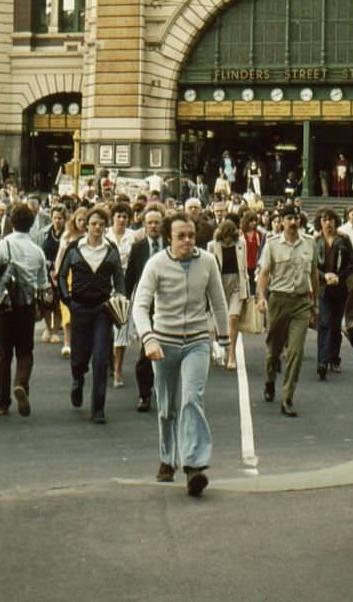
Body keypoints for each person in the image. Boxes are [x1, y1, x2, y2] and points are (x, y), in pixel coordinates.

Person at [133, 211, 230, 496]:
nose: (188, 241)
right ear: (168, 239)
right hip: (163, 343)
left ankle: (194, 466)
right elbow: (140, 306)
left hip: (197, 341)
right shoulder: (156, 264)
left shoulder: (208, 262)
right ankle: (167, 458)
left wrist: (223, 342)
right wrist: (148, 339)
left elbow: (219, 303)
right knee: (166, 407)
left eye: (191, 235)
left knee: (192, 399)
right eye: (181, 236)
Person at [57, 206, 124, 423]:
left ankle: (98, 409)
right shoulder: (75, 248)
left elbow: (119, 279)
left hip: (102, 310)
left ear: (106, 227)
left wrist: (119, 299)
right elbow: (61, 275)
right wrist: (67, 299)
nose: (97, 228)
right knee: (79, 358)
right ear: (87, 225)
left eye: (102, 224)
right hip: (79, 308)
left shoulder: (111, 250)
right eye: (94, 223)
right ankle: (77, 381)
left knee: (101, 358)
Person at [256, 203, 319, 417]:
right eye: (289, 219)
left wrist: (315, 302)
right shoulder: (272, 244)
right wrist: (261, 297)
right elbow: (264, 273)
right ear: (281, 222)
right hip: (279, 300)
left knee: (296, 351)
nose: (293, 222)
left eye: (296, 218)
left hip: (301, 302)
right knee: (273, 349)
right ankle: (270, 380)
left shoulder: (310, 243)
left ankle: (288, 397)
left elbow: (314, 274)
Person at [0, 202, 48, 417]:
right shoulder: (37, 251)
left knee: (3, 354)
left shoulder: (2, 246)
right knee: (25, 351)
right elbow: (42, 282)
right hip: (26, 306)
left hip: (4, 307)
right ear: (32, 223)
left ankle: (2, 401)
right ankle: (21, 383)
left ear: (11, 221)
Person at [125, 206, 165, 412]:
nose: (153, 226)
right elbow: (131, 275)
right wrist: (124, 299)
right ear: (144, 225)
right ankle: (145, 394)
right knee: (146, 350)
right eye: (150, 223)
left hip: (168, 304)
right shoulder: (139, 247)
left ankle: (167, 391)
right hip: (146, 305)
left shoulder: (170, 246)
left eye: (157, 222)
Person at [315, 208, 353, 380]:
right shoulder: (315, 241)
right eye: (324, 219)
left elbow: (352, 263)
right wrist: (324, 276)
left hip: (340, 288)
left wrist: (340, 277)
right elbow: (311, 265)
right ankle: (322, 361)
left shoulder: (344, 240)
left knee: (336, 325)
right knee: (324, 322)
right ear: (320, 222)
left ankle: (334, 358)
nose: (328, 223)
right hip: (323, 287)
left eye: (331, 219)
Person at [209, 218, 248, 371]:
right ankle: (220, 345)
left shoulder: (240, 244)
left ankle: (232, 355)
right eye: (225, 237)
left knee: (233, 317)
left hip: (237, 284)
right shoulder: (212, 246)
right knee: (220, 319)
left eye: (230, 237)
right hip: (219, 284)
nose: (228, 240)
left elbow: (243, 267)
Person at [106, 201, 136, 388]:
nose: (122, 219)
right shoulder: (105, 235)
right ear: (113, 218)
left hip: (125, 285)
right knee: (106, 328)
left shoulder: (134, 237)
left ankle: (118, 370)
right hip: (104, 285)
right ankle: (108, 361)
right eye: (119, 216)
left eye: (125, 216)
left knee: (121, 328)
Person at [53, 205, 88, 358]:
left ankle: (80, 344)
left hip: (85, 278)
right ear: (74, 220)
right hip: (67, 277)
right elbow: (60, 256)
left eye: (85, 220)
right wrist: (57, 273)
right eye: (79, 220)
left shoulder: (90, 236)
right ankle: (67, 343)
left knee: (81, 313)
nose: (82, 223)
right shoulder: (67, 236)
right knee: (67, 312)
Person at [40, 204, 66, 345]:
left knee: (58, 303)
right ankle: (47, 328)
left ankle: (56, 330)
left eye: (60, 218)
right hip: (45, 272)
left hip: (61, 272)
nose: (57, 221)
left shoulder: (67, 234)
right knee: (45, 301)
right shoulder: (44, 232)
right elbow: (39, 249)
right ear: (51, 218)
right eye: (55, 218)